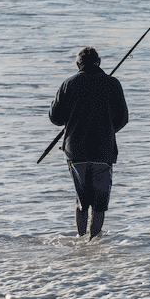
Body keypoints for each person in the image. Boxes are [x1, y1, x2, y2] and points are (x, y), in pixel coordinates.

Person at [49, 46, 129, 239]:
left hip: (75, 151)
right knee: (99, 204)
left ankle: (81, 242)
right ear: (99, 62)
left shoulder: (68, 84)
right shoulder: (112, 84)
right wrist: (108, 130)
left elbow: (55, 118)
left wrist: (73, 122)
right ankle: (94, 244)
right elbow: (123, 118)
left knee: (82, 200)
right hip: (103, 150)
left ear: (78, 64)